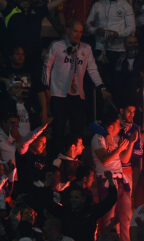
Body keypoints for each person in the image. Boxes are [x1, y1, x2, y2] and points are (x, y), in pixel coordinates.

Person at [43, 20, 109, 152]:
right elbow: (47, 66)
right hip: (59, 93)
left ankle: (74, 156)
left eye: (80, 32)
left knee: (77, 128)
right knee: (59, 128)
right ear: (68, 30)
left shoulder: (86, 48)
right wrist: (46, 87)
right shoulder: (57, 46)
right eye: (75, 31)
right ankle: (57, 158)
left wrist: (101, 86)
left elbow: (92, 70)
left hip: (77, 94)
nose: (78, 34)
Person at [91, 110, 136, 241]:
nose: (120, 127)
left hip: (120, 180)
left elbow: (123, 159)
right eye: (117, 124)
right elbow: (104, 159)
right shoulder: (98, 138)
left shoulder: (114, 138)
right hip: (106, 181)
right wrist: (118, 149)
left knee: (125, 216)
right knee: (108, 219)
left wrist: (130, 145)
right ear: (110, 126)